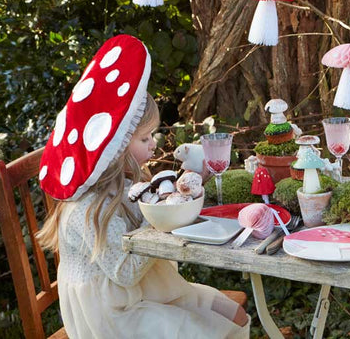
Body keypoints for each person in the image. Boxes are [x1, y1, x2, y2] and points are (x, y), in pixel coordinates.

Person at [37, 35, 249, 338]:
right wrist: (160, 224)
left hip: (142, 294)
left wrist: (184, 194)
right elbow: (124, 273)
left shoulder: (122, 187)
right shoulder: (89, 209)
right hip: (111, 315)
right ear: (117, 146)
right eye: (145, 138)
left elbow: (148, 212)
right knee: (206, 331)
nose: (153, 145)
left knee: (234, 314)